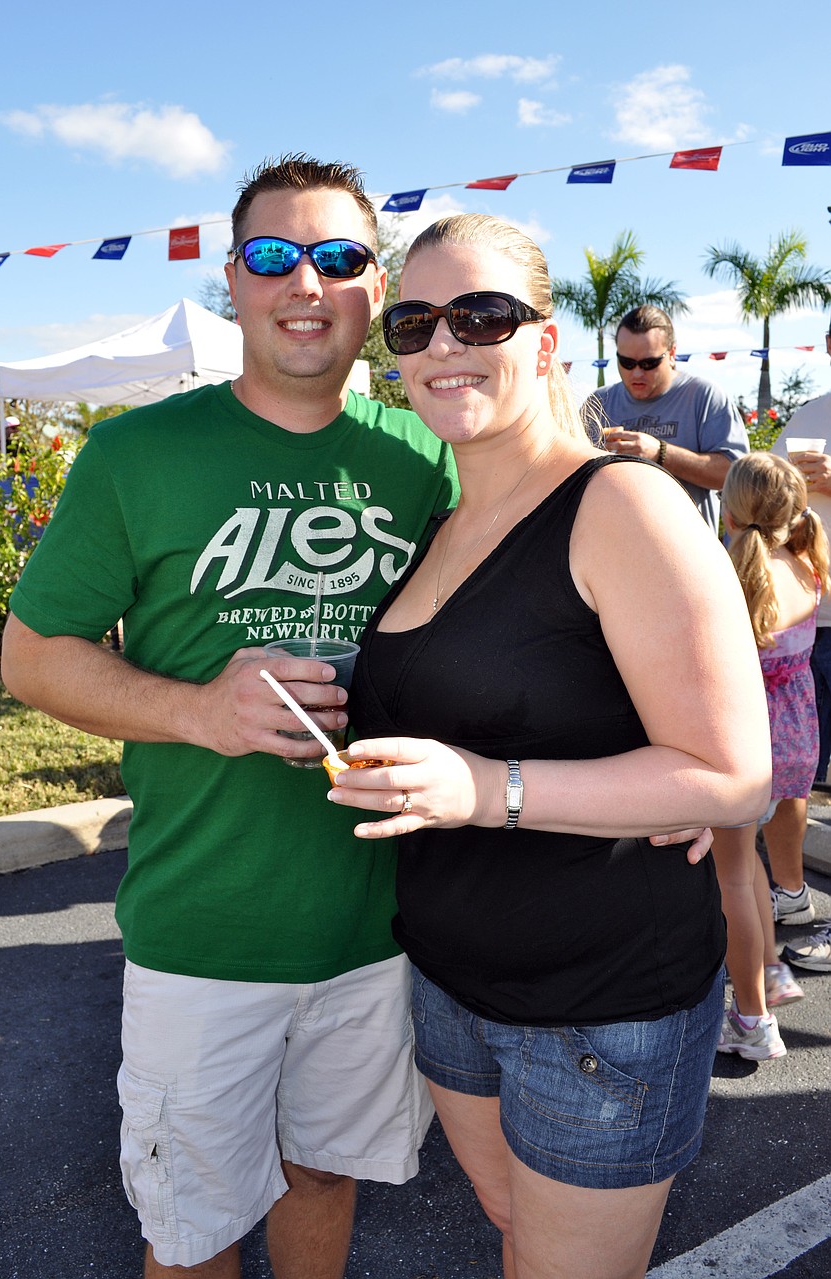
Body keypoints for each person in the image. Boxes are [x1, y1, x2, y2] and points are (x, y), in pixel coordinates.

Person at [0, 155, 461, 1279]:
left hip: (377, 932)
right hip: (204, 936)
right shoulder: (136, 454)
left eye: (339, 258)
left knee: (325, 1181)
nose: (305, 281)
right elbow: (32, 656)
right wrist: (202, 711)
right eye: (272, 255)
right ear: (233, 280)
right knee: (194, 1232)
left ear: (374, 287)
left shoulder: (429, 462)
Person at [325, 214, 771, 1279]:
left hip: (600, 1006)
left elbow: (731, 775)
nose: (442, 345)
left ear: (542, 339)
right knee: (515, 1235)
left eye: (478, 314)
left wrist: (489, 787)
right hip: (448, 982)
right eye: (413, 323)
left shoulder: (621, 504)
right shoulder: (444, 519)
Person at [712, 453, 829, 1060]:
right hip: (792, 738)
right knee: (748, 866)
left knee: (731, 876)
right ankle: (772, 974)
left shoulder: (730, 576)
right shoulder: (806, 564)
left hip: (743, 740)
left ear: (730, 508)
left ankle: (753, 1022)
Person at [765, 315, 831, 944]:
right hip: (805, 626)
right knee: (799, 778)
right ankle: (790, 898)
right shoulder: (806, 417)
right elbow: (770, 506)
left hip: (798, 619)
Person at [588, 304, 749, 531]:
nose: (636, 373)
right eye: (626, 363)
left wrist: (660, 453)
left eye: (648, 363)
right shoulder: (599, 403)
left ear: (672, 354)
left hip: (687, 552)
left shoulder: (704, 397)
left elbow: (737, 476)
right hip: (612, 551)